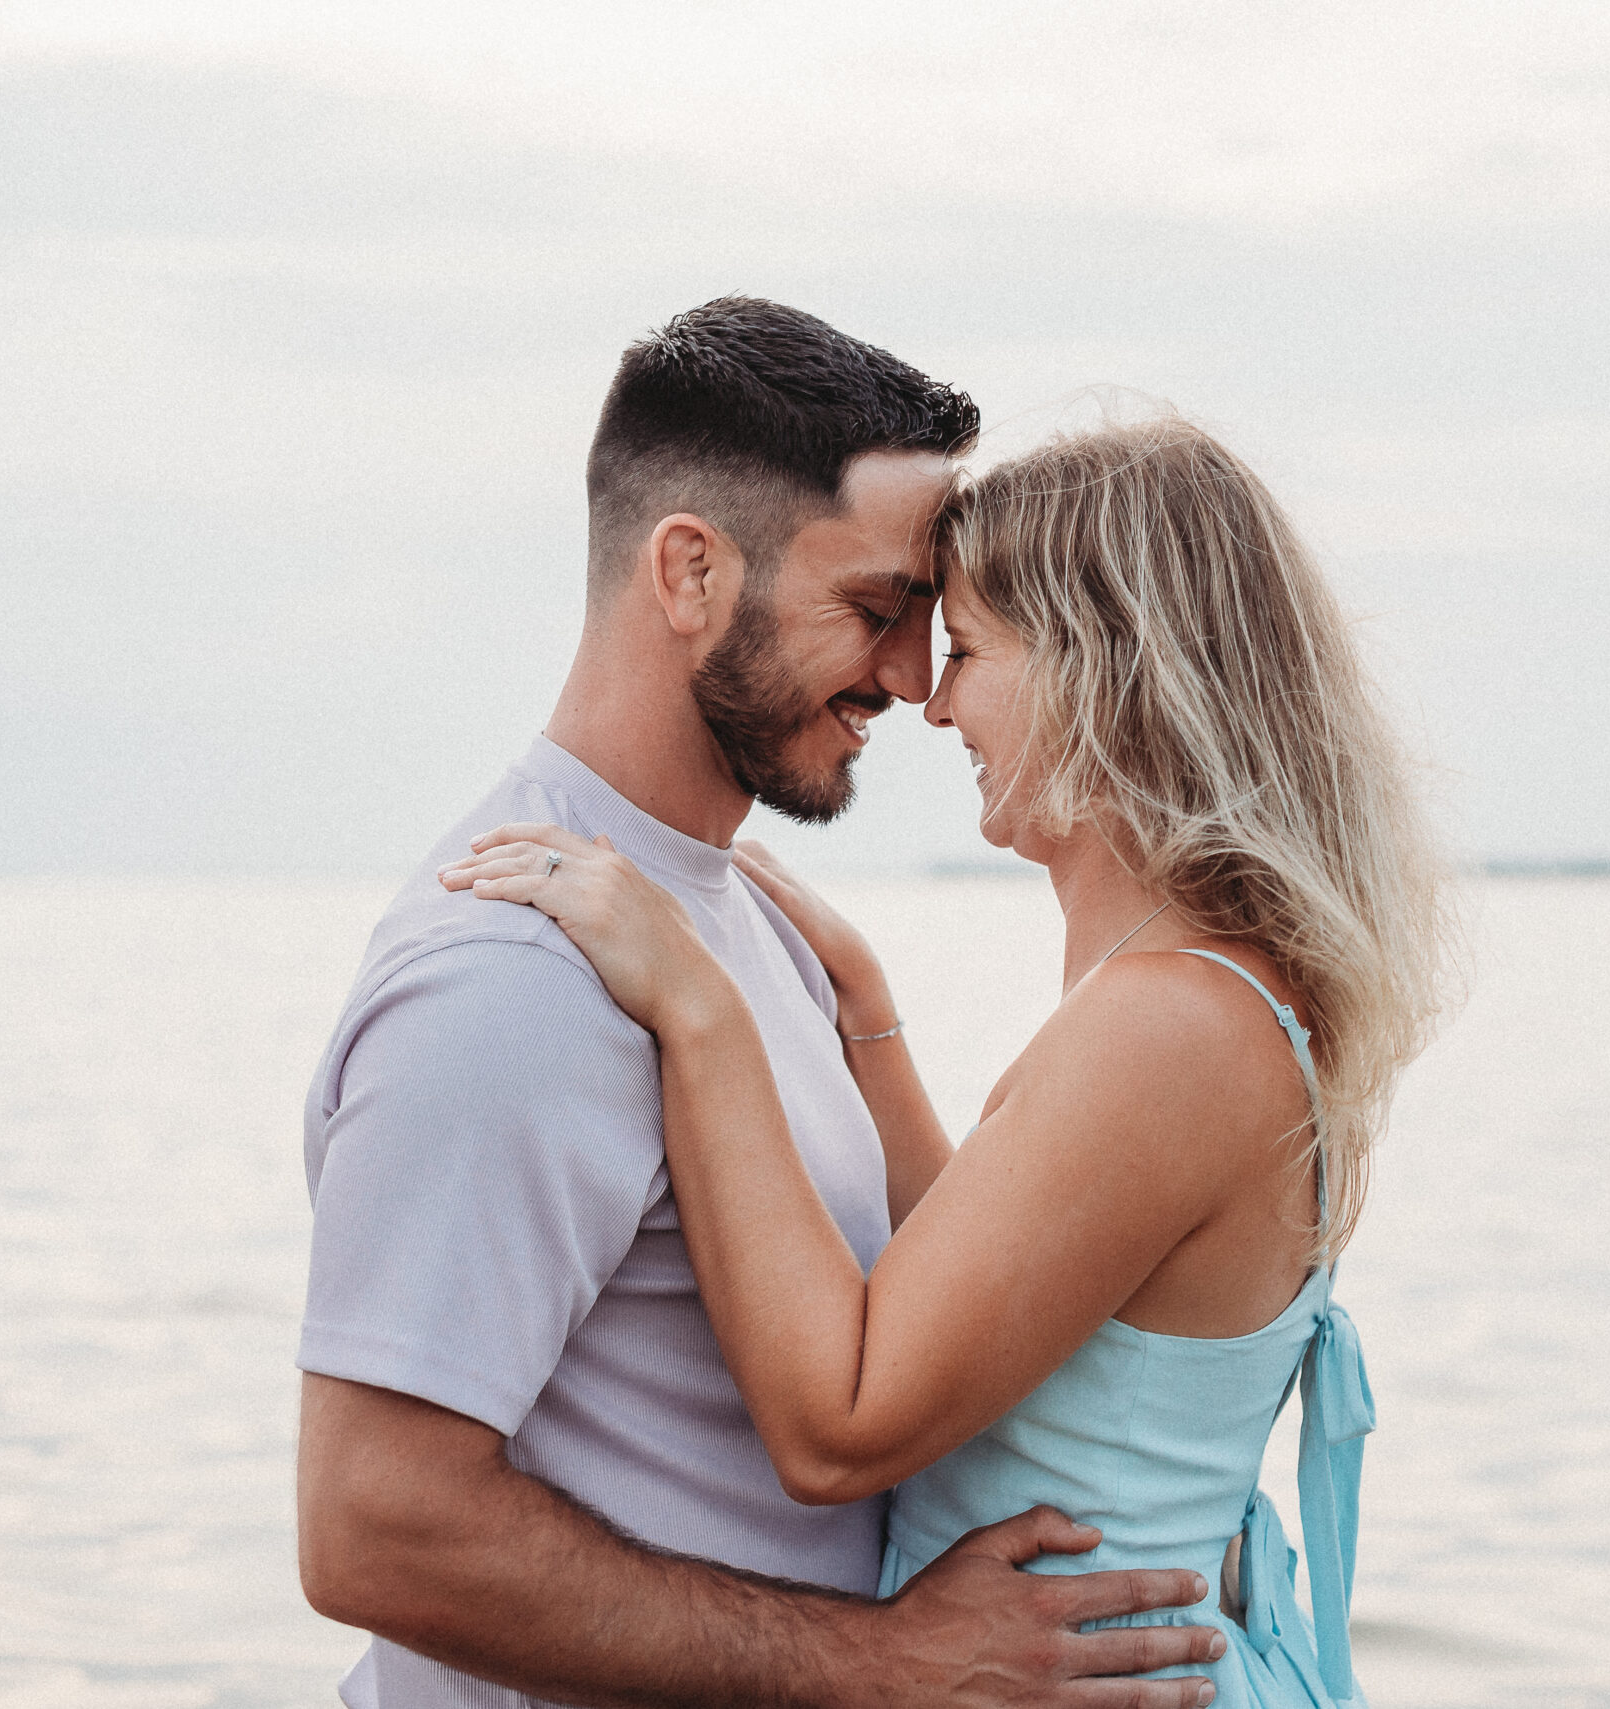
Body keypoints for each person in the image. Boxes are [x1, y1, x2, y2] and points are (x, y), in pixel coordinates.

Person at [293, 300, 1230, 1709]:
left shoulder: (743, 922)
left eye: (931, 625)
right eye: (876, 610)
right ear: (689, 572)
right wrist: (887, 1663)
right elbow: (375, 1526)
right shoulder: (510, 978)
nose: (915, 681)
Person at [439, 415, 1452, 1707]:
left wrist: (700, 1012)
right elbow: (985, 1290)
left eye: (969, 650)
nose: (931, 697)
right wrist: (863, 1007)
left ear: (1105, 673)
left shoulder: (1169, 1026)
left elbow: (840, 1419)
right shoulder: (1207, 994)